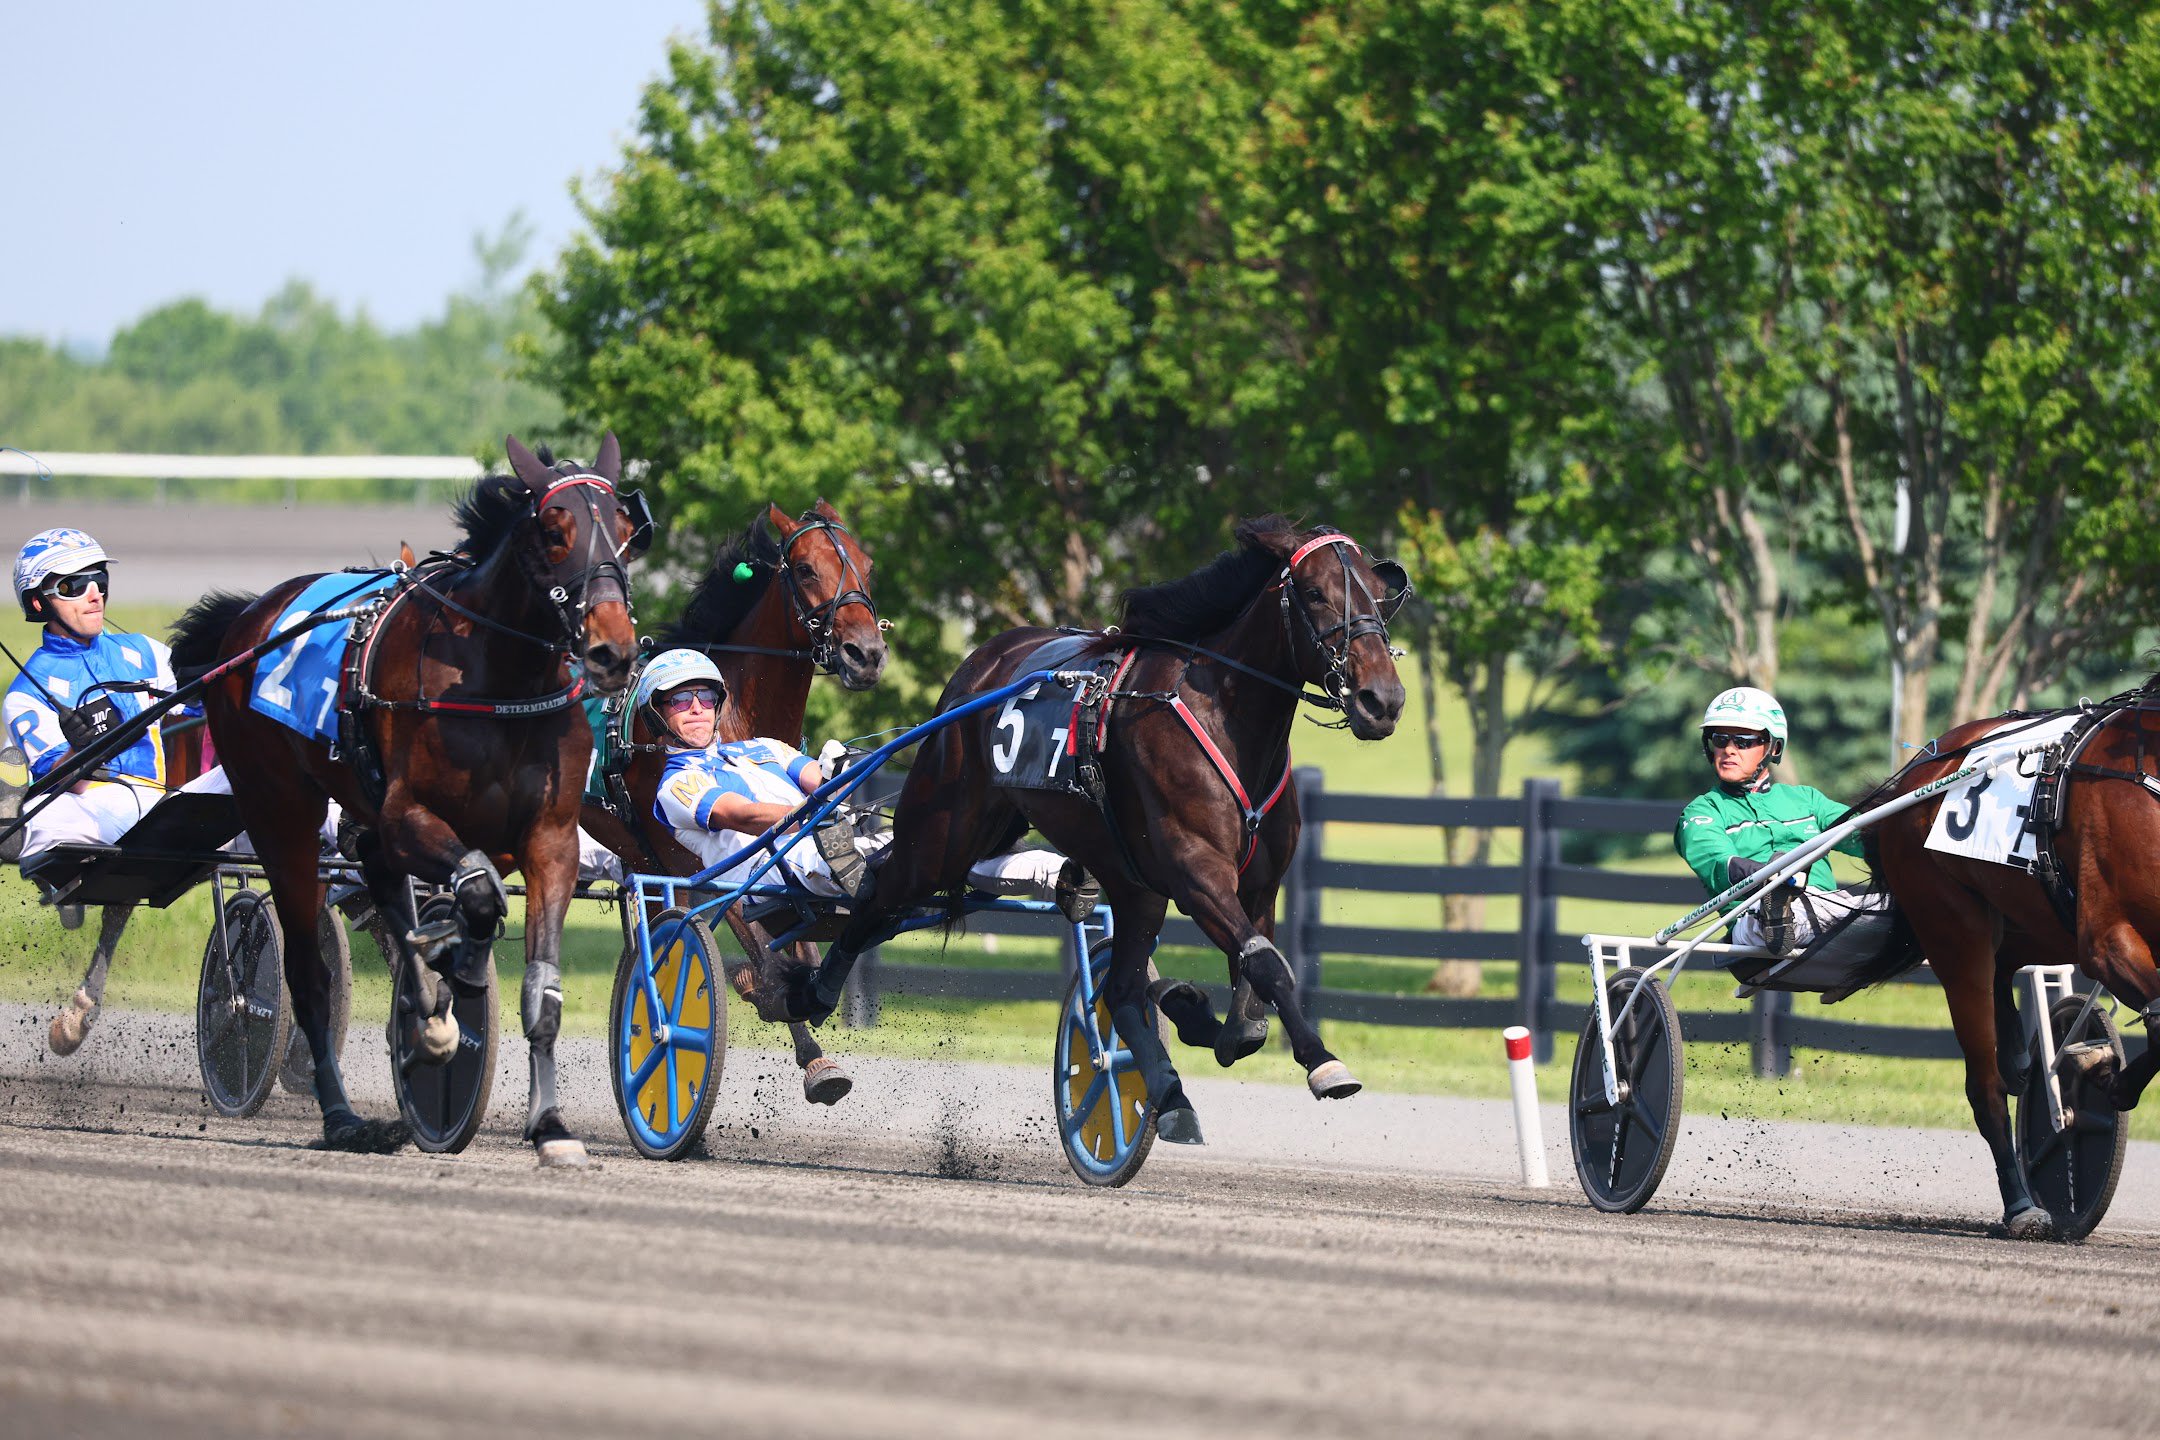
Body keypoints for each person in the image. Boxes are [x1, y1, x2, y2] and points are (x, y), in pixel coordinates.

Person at [635, 649, 1094, 916]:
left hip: (838, 846)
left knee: (944, 851)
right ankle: (848, 866)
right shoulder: (678, 785)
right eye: (680, 700)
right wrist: (815, 815)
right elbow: (745, 816)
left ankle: (1058, 874)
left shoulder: (766, 748)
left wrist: (838, 774)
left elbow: (821, 783)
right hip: (773, 872)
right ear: (658, 713)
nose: (696, 707)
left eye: (705, 696)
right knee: (891, 855)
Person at [3, 529, 177, 864]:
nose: (95, 595)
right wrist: (78, 749)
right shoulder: (24, 695)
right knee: (46, 818)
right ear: (39, 602)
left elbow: (208, 700)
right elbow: (68, 784)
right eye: (74, 587)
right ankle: (12, 816)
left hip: (166, 803)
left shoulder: (144, 652)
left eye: (100, 580)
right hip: (91, 811)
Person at [1674, 686, 1876, 956]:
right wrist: (1774, 878)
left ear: (1774, 746)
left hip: (1829, 906)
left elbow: (1863, 834)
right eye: (1720, 740)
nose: (1729, 750)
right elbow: (1719, 863)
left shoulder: (1807, 799)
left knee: (1912, 904)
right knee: (1778, 910)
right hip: (1752, 917)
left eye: (1743, 741)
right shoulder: (1702, 811)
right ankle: (1777, 910)